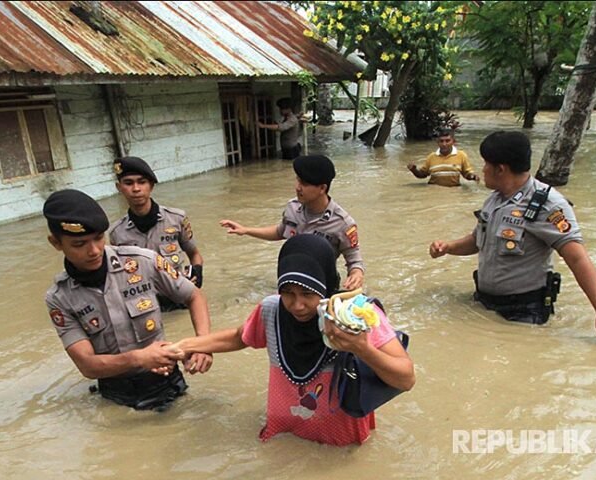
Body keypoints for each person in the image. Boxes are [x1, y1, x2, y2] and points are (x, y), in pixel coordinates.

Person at [168, 234, 415, 446]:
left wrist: (362, 349)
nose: (297, 305)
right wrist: (185, 346)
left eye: (308, 294)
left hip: (340, 444)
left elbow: (406, 378)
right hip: (284, 437)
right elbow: (239, 337)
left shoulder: (356, 317)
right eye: (288, 293)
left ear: (327, 285)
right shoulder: (271, 311)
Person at [428, 131, 596, 344]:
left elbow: (577, 258)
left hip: (524, 313)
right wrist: (448, 247)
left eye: (486, 164)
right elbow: (478, 240)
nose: (482, 170)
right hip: (484, 304)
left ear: (500, 169)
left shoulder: (548, 205)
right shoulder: (495, 200)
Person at [43, 189, 213, 411]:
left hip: (166, 383)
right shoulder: (60, 298)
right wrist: (140, 358)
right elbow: (87, 365)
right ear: (56, 243)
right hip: (115, 397)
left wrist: (203, 344)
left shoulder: (142, 261)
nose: (94, 250)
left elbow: (193, 295)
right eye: (79, 244)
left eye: (98, 238)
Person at [219, 154, 365, 290]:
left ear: (322, 188)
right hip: (290, 281)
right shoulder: (293, 208)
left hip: (322, 286)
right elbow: (280, 231)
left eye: (304, 183)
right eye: (298, 180)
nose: (297, 187)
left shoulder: (343, 223)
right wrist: (246, 230)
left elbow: (354, 259)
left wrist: (356, 274)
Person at [108, 156, 205, 312]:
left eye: (142, 182)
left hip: (180, 300)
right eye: (128, 183)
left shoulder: (176, 219)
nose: (136, 188)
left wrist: (198, 272)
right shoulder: (116, 233)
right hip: (145, 307)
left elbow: (194, 254)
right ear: (119, 188)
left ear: (151, 186)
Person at [407, 128, 479, 186]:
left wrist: (473, 176)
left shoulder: (461, 155)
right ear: (437, 142)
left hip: (454, 191)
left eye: (447, 141)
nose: (444, 144)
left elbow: (467, 174)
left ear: (453, 142)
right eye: (441, 141)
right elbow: (422, 174)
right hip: (433, 190)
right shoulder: (431, 157)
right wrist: (414, 170)